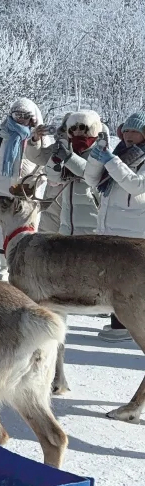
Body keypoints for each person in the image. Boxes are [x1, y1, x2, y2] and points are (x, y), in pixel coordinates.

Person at [72, 110, 145, 341]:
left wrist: (112, 162)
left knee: (129, 284)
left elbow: (136, 185)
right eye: (127, 130)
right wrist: (96, 158)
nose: (129, 135)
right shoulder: (119, 153)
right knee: (114, 281)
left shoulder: (137, 158)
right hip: (110, 225)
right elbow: (92, 180)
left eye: (135, 131)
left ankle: (128, 328)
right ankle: (119, 326)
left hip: (134, 229)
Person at [0, 97, 55, 206]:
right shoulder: (0, 136)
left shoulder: (40, 138)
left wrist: (32, 184)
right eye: (17, 115)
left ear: (32, 118)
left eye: (25, 116)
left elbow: (46, 166)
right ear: (11, 115)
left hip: (27, 197)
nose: (20, 119)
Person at [44, 109, 106, 236]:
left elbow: (90, 173)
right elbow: (54, 178)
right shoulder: (71, 149)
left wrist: (69, 158)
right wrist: (54, 160)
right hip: (67, 225)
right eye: (72, 129)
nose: (77, 131)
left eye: (82, 127)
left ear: (93, 128)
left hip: (92, 225)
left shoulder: (100, 151)